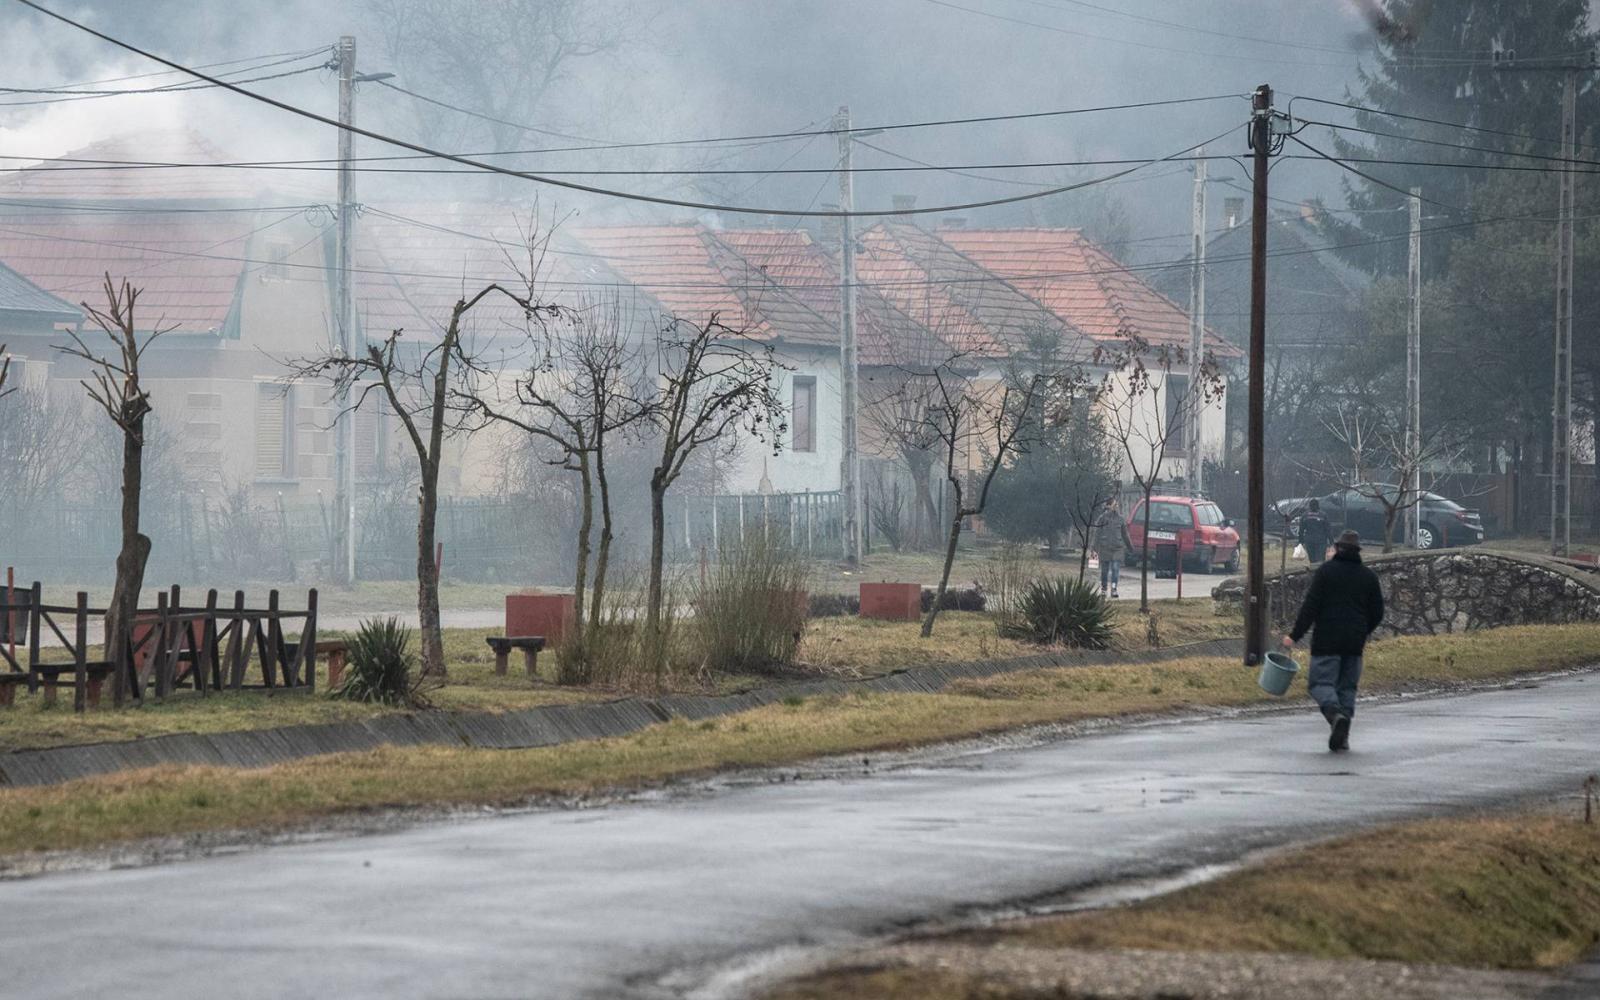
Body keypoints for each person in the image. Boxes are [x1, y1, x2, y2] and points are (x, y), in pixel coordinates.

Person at [1281, 530, 1385, 752]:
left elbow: (1310, 607)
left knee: (1321, 684)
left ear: (1337, 549)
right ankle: (1343, 731)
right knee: (1347, 687)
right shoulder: (1368, 577)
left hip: (1327, 639)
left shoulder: (1326, 573)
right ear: (1358, 552)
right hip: (1355, 642)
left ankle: (1334, 714)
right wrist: (1364, 630)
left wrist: (1294, 635)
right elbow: (1378, 611)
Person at [1094, 500, 1132, 598]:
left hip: (1117, 548)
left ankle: (1114, 589)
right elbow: (1097, 534)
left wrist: (1130, 547)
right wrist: (1094, 548)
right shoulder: (1102, 518)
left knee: (1115, 569)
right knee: (1105, 570)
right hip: (1105, 547)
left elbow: (1125, 534)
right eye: (1114, 504)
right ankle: (1104, 589)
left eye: (1117, 504)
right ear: (1108, 506)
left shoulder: (1120, 519)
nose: (1116, 506)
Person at [1297, 498, 1333, 565]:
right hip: (1321, 541)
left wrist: (1300, 542)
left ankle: (1314, 573)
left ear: (1309, 506)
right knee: (1320, 560)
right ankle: (1320, 573)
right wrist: (1331, 542)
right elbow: (1328, 530)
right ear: (1318, 506)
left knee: (1312, 560)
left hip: (1309, 540)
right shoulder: (1323, 515)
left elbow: (1301, 530)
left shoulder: (1305, 516)